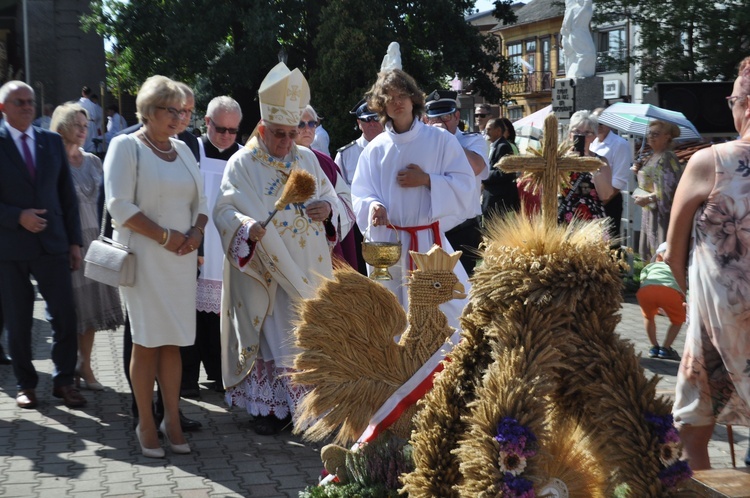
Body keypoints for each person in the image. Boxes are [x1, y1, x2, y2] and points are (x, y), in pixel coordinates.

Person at [214, 62, 341, 436]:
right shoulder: (242, 164)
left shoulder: (307, 159)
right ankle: (269, 411)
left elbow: (335, 200)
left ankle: (308, 409)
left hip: (311, 269)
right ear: (262, 129)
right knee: (274, 336)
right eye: (280, 134)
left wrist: (328, 210)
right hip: (267, 270)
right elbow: (223, 210)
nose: (288, 142)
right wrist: (245, 228)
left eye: (293, 133)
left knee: (306, 339)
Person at [105, 75, 208, 458]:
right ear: (149, 111)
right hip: (146, 258)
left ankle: (172, 419)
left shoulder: (183, 149)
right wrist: (166, 237)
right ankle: (146, 422)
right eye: (172, 110)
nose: (180, 117)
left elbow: (202, 202)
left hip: (181, 260)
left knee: (175, 343)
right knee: (147, 342)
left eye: (183, 111)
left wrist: (196, 233)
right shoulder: (125, 146)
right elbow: (119, 206)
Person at [666, 56, 750, 471]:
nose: (730, 105)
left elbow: (674, 248)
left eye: (732, 98)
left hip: (721, 322)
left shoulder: (711, 162)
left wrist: (692, 298)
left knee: (693, 431)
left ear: (747, 105)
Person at [351, 68, 475, 330]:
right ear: (381, 106)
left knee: (449, 313)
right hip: (391, 247)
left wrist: (428, 180)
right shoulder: (375, 149)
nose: (397, 102)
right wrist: (375, 205)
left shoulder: (440, 140)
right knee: (392, 314)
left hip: (430, 243)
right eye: (389, 98)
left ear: (414, 99)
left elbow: (465, 184)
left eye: (402, 95)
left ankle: (444, 369)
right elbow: (361, 192)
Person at [0, 80, 86, 409]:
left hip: (53, 245)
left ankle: (64, 381)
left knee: (65, 316)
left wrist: (75, 242)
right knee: (19, 321)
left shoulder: (51, 142)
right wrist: (16, 216)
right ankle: (26, 384)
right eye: (19, 102)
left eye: (30, 101)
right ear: (4, 108)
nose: (26, 106)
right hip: (10, 248)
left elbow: (67, 196)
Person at [50, 103, 125, 391]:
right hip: (70, 241)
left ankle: (86, 365)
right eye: (78, 125)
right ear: (63, 126)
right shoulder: (54, 162)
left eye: (86, 124)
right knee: (72, 310)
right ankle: (67, 368)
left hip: (96, 241)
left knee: (92, 307)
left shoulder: (94, 161)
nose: (84, 130)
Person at [181, 95, 243, 398]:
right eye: (221, 129)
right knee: (192, 315)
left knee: (225, 317)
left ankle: (221, 375)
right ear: (206, 122)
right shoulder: (192, 153)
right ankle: (187, 378)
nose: (227, 136)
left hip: (230, 247)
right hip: (199, 244)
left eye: (233, 131)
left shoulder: (244, 157)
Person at [424, 89, 488, 274]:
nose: (440, 123)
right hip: (430, 229)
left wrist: (448, 140)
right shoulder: (423, 145)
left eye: (445, 118)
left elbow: (476, 167)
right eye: (435, 119)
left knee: (462, 292)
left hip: (462, 229)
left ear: (457, 116)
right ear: (427, 120)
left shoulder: (471, 140)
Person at [295, 104, 357, 269]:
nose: (307, 129)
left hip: (323, 245)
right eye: (301, 124)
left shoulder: (325, 162)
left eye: (312, 123)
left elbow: (347, 201)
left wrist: (330, 209)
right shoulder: (276, 161)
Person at [334, 98, 384, 274]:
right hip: (357, 225)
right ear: (358, 123)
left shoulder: (395, 149)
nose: (371, 124)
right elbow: (338, 192)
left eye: (375, 118)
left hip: (388, 222)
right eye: (366, 120)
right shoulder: (345, 154)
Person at [632, 119, 684, 262]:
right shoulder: (651, 156)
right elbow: (649, 183)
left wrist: (648, 198)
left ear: (667, 136)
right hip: (648, 211)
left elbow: (670, 190)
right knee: (647, 252)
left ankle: (660, 283)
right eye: (649, 134)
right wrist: (638, 171)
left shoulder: (667, 157)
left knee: (659, 252)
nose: (651, 137)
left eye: (655, 134)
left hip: (660, 214)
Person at [558, 110, 614, 224]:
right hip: (564, 216)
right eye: (577, 131)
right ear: (570, 135)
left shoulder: (601, 161)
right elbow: (548, 189)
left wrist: (593, 168)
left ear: (594, 136)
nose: (582, 136)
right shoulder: (559, 159)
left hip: (591, 220)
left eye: (587, 133)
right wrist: (564, 164)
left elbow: (606, 195)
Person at [590, 108, 633, 245]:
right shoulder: (591, 143)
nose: (599, 125)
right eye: (596, 122)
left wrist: (599, 203)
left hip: (609, 200)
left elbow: (618, 182)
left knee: (609, 246)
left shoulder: (620, 144)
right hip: (590, 200)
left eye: (602, 122)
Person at [636, 242, 684, 360]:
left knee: (648, 317)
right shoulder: (679, 268)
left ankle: (654, 347)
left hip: (645, 291)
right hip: (670, 292)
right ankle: (665, 348)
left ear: (658, 257)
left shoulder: (650, 267)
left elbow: (643, 281)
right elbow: (683, 285)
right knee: (678, 320)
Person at [483, 117, 520, 224]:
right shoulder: (495, 145)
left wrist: (483, 175)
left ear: (498, 131)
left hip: (499, 200)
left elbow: (506, 173)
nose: (486, 132)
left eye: (489, 129)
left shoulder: (503, 146)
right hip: (493, 198)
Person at [78, 86, 103, 154]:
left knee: (83, 141)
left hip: (82, 123)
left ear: (82, 92)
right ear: (89, 94)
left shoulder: (79, 103)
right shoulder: (93, 105)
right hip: (92, 123)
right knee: (91, 143)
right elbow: (97, 116)